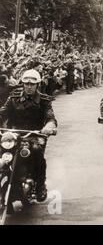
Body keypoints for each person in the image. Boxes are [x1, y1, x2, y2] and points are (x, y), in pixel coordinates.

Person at [0, 69, 57, 202]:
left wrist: (48, 127)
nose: (29, 86)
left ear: (37, 85)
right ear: (23, 84)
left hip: (34, 134)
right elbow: (3, 112)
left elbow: (50, 117)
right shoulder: (13, 98)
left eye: (32, 84)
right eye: (26, 84)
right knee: (3, 152)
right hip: (13, 134)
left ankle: (40, 186)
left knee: (37, 152)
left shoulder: (43, 100)